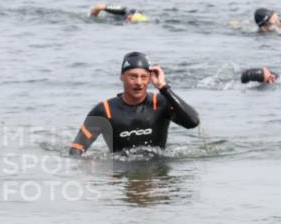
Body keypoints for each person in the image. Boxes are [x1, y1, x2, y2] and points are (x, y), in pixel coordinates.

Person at [69, 52, 200, 156]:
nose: (139, 82)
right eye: (133, 76)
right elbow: (76, 150)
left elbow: (193, 122)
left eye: (144, 77)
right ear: (122, 76)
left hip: (156, 177)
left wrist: (164, 88)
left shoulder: (160, 103)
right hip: (121, 175)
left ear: (150, 78)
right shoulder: (105, 110)